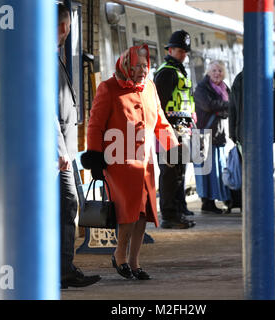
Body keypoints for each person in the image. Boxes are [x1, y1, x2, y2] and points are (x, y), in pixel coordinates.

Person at [81, 44, 179, 280]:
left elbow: (161, 122)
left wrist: (174, 149)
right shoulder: (108, 88)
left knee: (143, 213)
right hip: (119, 162)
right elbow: (95, 124)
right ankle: (120, 256)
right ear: (126, 65)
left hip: (145, 162)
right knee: (128, 213)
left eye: (145, 67)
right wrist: (94, 157)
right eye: (137, 67)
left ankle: (135, 262)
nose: (142, 71)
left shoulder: (150, 87)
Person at [57, 3, 101, 289]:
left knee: (67, 203)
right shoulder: (46, 57)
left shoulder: (54, 55)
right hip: (58, 149)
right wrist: (60, 148)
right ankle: (62, 268)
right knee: (66, 203)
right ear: (64, 26)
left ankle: (62, 266)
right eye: (69, 24)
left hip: (65, 147)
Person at [153, 30, 196, 229]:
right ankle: (169, 216)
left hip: (180, 128)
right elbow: (159, 104)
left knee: (178, 173)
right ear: (170, 50)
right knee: (170, 175)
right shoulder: (167, 72)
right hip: (169, 130)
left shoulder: (177, 70)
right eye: (180, 51)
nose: (183, 54)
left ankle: (178, 212)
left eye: (185, 51)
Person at [228, 69, 275, 212]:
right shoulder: (240, 78)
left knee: (264, 171)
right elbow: (233, 108)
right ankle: (249, 203)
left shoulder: (273, 77)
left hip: (264, 134)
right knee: (247, 172)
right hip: (244, 135)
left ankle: (262, 202)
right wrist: (233, 133)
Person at [193, 60, 231, 214]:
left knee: (217, 169)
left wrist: (220, 109)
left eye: (220, 71)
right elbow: (208, 105)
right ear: (208, 72)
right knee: (205, 170)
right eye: (214, 70)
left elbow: (228, 109)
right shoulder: (202, 88)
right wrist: (224, 106)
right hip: (204, 134)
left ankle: (214, 200)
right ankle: (207, 202)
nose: (217, 73)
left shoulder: (225, 88)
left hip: (218, 134)